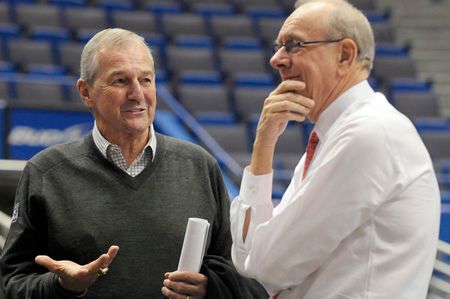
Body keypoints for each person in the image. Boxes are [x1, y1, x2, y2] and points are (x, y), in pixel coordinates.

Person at [0, 28, 267, 299]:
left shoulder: (199, 166)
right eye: (120, 81)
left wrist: (211, 288)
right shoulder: (45, 172)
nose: (137, 93)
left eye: (146, 80)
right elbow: (10, 285)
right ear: (86, 92)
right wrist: (62, 286)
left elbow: (242, 273)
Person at [230, 0, 441, 298]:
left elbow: (264, 271)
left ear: (344, 54)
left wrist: (257, 264)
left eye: (294, 45)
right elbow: (248, 260)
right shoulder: (335, 137)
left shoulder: (368, 134)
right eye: (278, 46)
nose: (276, 59)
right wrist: (263, 146)